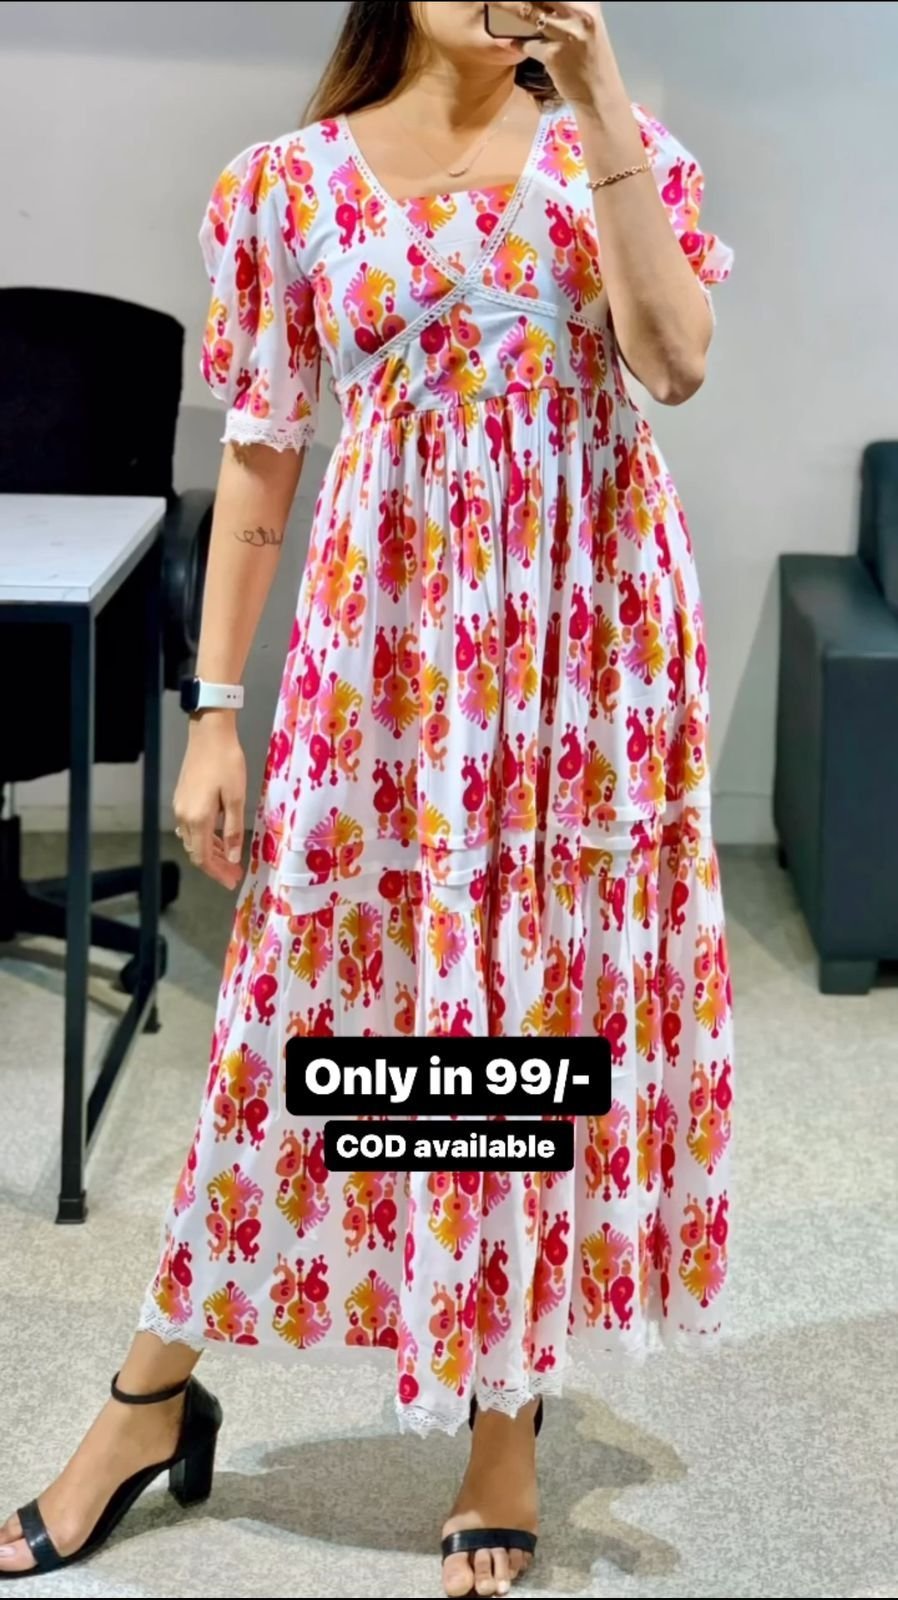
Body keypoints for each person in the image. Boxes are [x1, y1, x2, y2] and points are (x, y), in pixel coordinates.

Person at [0, 3, 735, 1594]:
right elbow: (261, 466)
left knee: (535, 1014)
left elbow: (673, 362)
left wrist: (599, 95)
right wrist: (212, 710)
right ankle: (150, 1387)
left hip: (588, 665)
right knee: (303, 1021)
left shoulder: (619, 157)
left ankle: (501, 1419)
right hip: (386, 667)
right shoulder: (283, 187)